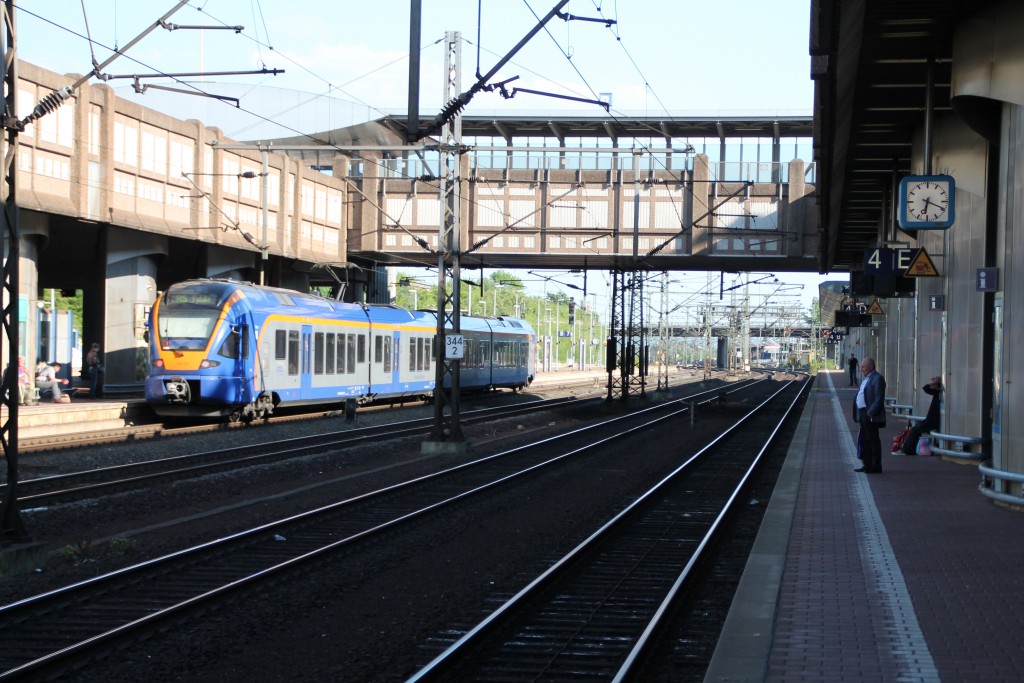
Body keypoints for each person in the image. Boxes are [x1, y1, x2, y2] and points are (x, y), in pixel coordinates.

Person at [852, 357, 886, 473]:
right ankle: (867, 464)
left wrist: (870, 412)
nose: (861, 369)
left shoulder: (878, 378)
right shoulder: (866, 378)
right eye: (861, 366)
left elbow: (879, 398)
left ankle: (876, 465)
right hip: (862, 413)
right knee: (864, 439)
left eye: (863, 367)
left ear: (871, 367)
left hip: (869, 413)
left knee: (873, 439)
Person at [899, 376, 943, 455]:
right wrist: (934, 383)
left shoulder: (938, 393)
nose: (932, 385)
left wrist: (932, 383)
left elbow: (926, 388)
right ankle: (910, 449)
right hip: (931, 420)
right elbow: (926, 388)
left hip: (932, 422)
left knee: (915, 430)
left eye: (934, 383)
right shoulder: (938, 393)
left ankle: (907, 450)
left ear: (937, 384)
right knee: (915, 429)